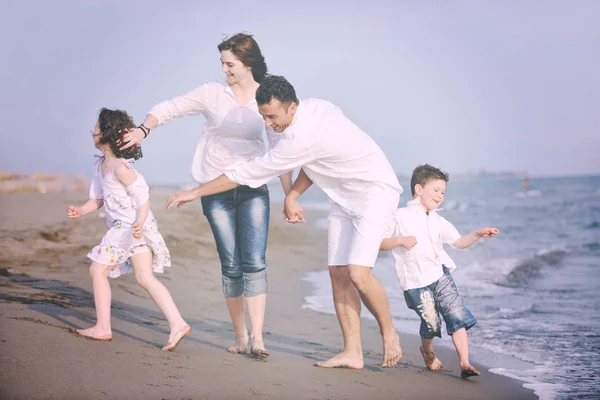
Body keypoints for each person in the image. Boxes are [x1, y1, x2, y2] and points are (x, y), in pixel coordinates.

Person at [165, 75, 404, 369]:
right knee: (337, 272)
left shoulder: (301, 137)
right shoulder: (317, 107)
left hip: (375, 193)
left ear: (292, 107)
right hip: (342, 198)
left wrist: (196, 190)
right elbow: (315, 160)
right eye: (263, 116)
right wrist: (292, 195)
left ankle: (389, 333)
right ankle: (352, 352)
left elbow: (249, 172)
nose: (267, 123)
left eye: (272, 116)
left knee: (357, 272)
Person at [120, 34, 289, 358]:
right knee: (231, 263)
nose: (224, 69)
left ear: (247, 64)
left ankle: (258, 339)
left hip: (254, 189)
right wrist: (143, 129)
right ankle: (240, 337)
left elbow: (280, 149)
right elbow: (169, 108)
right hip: (215, 190)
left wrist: (290, 194)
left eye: (230, 64)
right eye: (222, 64)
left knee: (254, 261)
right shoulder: (212, 94)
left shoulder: (264, 97)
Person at [67, 108, 190, 351]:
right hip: (131, 228)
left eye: (97, 128)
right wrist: (81, 210)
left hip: (129, 228)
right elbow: (98, 199)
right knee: (145, 278)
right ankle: (178, 323)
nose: (93, 132)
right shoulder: (102, 165)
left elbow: (143, 196)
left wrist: (140, 221)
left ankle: (103, 327)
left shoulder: (121, 168)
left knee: (96, 270)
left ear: (108, 134)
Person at [380, 164, 499, 378]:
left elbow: (459, 242)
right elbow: (380, 242)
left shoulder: (438, 220)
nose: (440, 195)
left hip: (439, 275)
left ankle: (464, 363)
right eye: (436, 190)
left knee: (456, 314)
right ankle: (426, 350)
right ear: (418, 189)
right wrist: (400, 240)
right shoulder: (399, 216)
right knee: (431, 322)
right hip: (415, 281)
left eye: (443, 192)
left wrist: (478, 234)